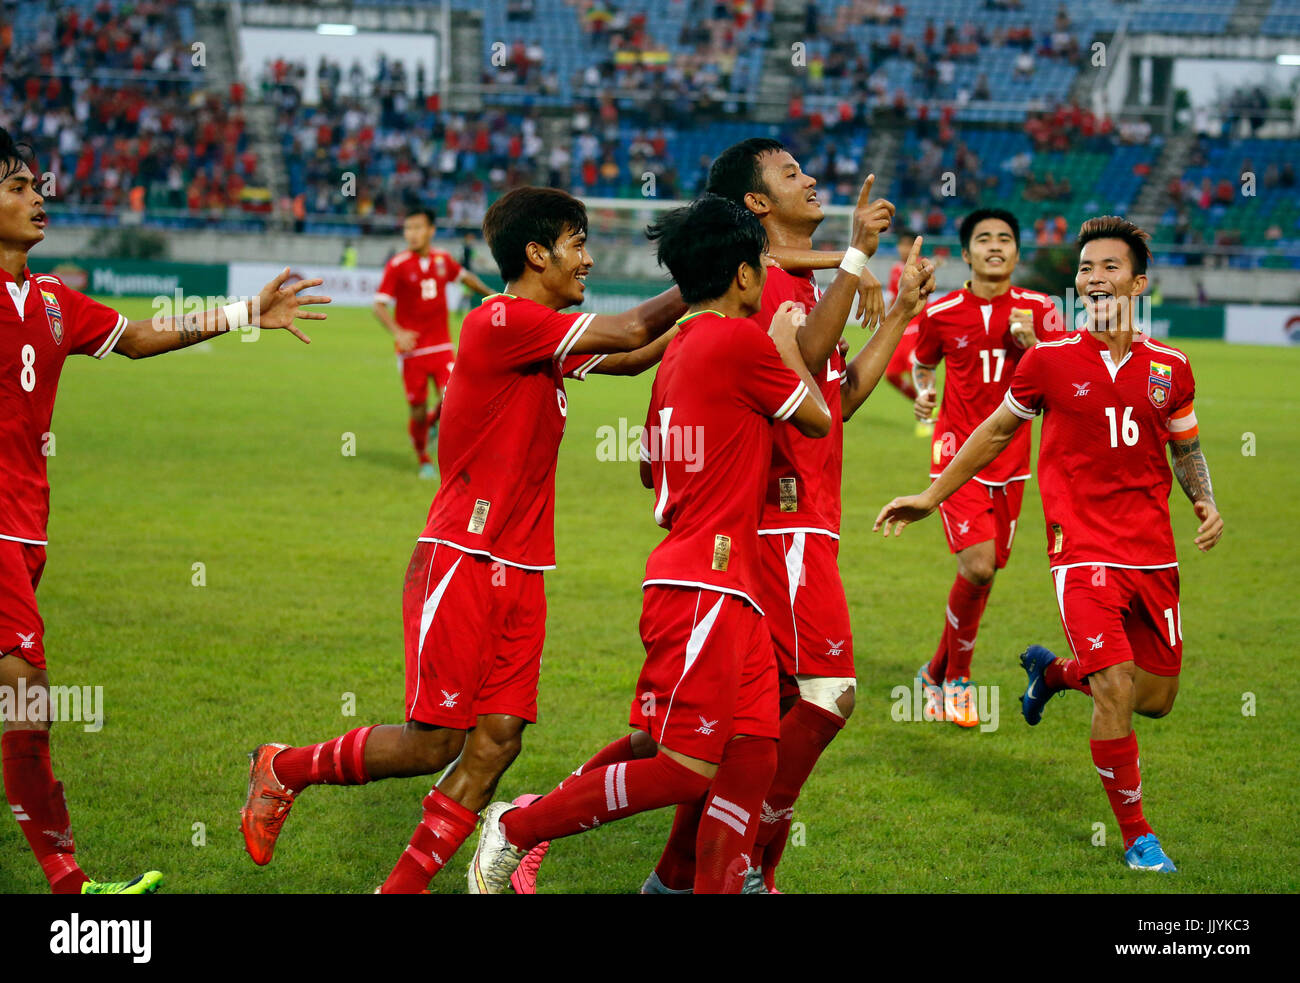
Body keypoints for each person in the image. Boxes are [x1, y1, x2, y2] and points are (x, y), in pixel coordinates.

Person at [511, 139, 936, 895]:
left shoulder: (785, 290)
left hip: (781, 525)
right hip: (777, 523)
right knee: (823, 697)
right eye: (790, 173)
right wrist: (851, 261)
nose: (811, 178)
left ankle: (678, 874)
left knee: (714, 734)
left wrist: (896, 311)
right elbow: (799, 377)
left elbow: (829, 404)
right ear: (755, 207)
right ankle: (736, 869)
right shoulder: (758, 295)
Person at [240, 186, 685, 893]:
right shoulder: (501, 318)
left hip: (523, 566)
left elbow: (633, 357)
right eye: (577, 244)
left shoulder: (541, 338)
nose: (588, 259)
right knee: (435, 743)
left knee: (499, 739)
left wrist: (711, 306)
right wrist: (702, 272)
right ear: (537, 253)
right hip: (464, 558)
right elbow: (632, 331)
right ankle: (284, 766)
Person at [467, 193, 833, 894]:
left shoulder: (681, 354)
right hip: (708, 583)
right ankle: (520, 824)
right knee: (682, 767)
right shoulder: (736, 340)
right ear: (745, 277)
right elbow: (816, 418)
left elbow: (648, 468)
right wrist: (789, 341)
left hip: (727, 585)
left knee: (754, 755)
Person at [0, 126, 330, 894]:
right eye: (16, 186)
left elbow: (142, 335)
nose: (37, 196)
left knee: (22, 698)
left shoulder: (50, 300)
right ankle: (67, 883)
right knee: (26, 690)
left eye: (36, 183)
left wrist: (248, 312)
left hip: (27, 527)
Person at [875, 216, 1222, 872]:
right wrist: (930, 494)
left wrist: (1204, 500)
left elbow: (1187, 446)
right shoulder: (1050, 362)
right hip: (1082, 549)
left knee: (1155, 698)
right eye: (1086, 268)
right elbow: (994, 431)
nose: (1093, 278)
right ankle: (1138, 837)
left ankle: (1054, 672)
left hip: (1153, 552)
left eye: (1109, 267)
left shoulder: (1172, 368)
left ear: (1139, 282)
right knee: (1116, 686)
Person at [909, 208, 1056, 727]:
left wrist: (1035, 345)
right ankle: (958, 681)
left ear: (1017, 252)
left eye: (1006, 239)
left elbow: (1064, 377)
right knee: (978, 566)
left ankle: (931, 671)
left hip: (1013, 460)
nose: (995, 246)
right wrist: (925, 395)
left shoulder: (1042, 310)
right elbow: (923, 362)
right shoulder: (942, 310)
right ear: (966, 253)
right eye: (983, 239)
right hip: (956, 454)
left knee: (983, 575)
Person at [372, 208, 494, 478]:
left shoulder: (443, 259)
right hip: (411, 351)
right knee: (416, 409)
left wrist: (492, 295)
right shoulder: (398, 264)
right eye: (407, 229)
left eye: (417, 228)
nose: (411, 234)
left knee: (453, 397)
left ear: (431, 230)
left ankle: (432, 423)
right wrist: (398, 332)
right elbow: (378, 305)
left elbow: (465, 277)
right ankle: (423, 457)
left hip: (441, 346)